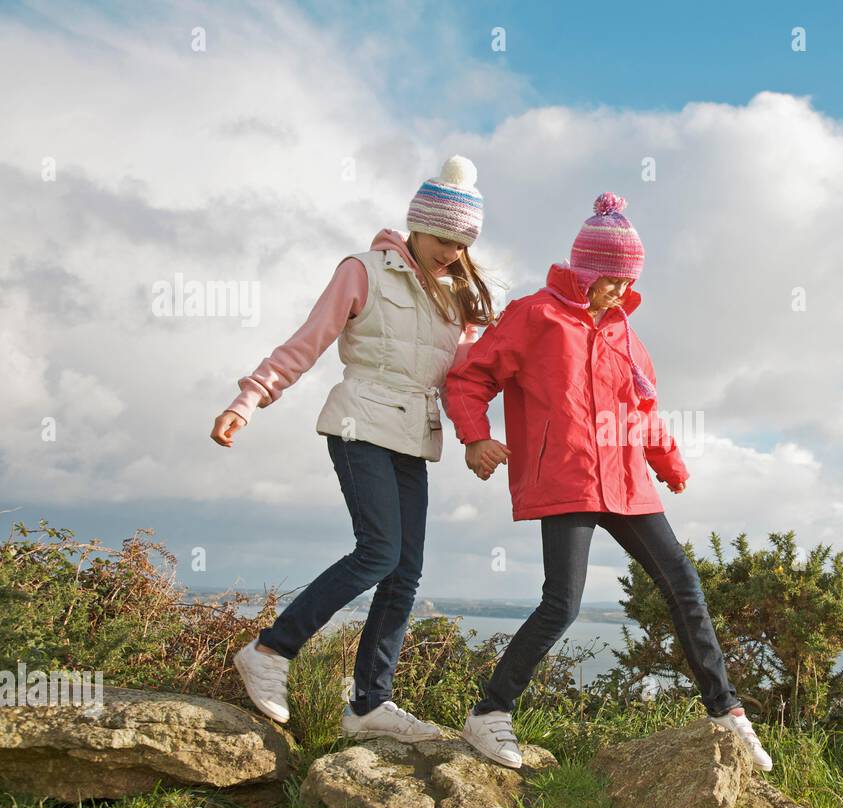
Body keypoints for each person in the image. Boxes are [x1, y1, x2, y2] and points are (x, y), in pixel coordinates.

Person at [443, 192, 772, 772]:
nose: (621, 290)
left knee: (684, 586)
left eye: (628, 280)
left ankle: (727, 714)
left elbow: (642, 410)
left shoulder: (625, 334)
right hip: (565, 475)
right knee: (562, 604)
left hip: (627, 481)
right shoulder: (536, 316)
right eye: (612, 278)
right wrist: (475, 437)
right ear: (587, 271)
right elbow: (469, 378)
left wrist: (668, 462)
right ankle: (489, 714)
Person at [210, 156, 494, 743]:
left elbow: (466, 379)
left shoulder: (459, 297)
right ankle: (270, 650)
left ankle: (368, 706)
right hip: (359, 422)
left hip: (414, 436)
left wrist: (478, 435)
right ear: (416, 225)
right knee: (379, 552)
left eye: (462, 241)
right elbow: (307, 342)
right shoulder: (363, 270)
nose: (451, 249)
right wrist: (249, 398)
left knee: (405, 573)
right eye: (443, 236)